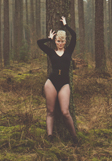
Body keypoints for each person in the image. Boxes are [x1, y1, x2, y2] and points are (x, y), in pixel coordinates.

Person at [37, 15, 78, 143]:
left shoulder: (69, 51)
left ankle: (74, 138)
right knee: (50, 111)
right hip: (51, 83)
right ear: (55, 41)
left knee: (65, 112)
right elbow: (39, 43)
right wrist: (48, 38)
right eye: (58, 41)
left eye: (62, 41)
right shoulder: (50, 52)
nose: (60, 43)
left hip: (64, 83)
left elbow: (75, 36)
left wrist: (65, 25)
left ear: (65, 42)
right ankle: (49, 137)